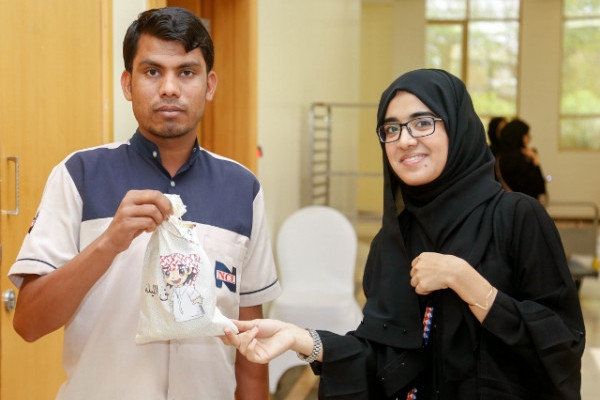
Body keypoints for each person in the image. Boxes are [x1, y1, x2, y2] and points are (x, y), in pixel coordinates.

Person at [223, 69, 585, 399]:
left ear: (457, 127)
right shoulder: (393, 242)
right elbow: (385, 362)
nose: (405, 140)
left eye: (422, 123)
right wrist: (303, 339)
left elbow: (562, 343)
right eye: (391, 129)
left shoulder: (516, 217)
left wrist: (468, 283)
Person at [8, 7, 280, 400]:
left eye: (186, 72)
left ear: (209, 85)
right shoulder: (78, 175)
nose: (169, 88)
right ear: (127, 83)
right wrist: (109, 243)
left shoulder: (243, 188)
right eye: (152, 71)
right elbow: (29, 323)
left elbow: (251, 348)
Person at [496, 118, 547, 203]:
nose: (529, 137)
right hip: (524, 204)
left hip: (507, 203)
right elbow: (538, 187)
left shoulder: (501, 156)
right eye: (526, 134)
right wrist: (535, 161)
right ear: (518, 135)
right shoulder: (522, 158)